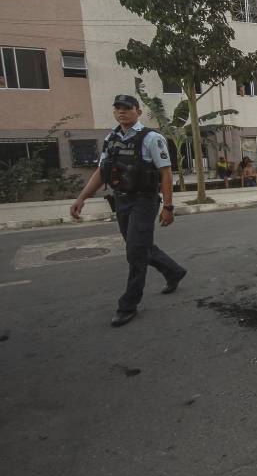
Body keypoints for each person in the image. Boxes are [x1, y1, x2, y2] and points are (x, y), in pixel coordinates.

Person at [70, 94, 187, 327]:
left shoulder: (152, 138)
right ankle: (173, 271)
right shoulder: (111, 138)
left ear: (138, 112)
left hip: (144, 200)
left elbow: (165, 173)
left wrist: (169, 207)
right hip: (121, 199)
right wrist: (81, 197)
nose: (121, 112)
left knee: (135, 251)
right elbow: (102, 172)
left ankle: (128, 305)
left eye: (127, 108)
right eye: (118, 108)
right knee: (139, 246)